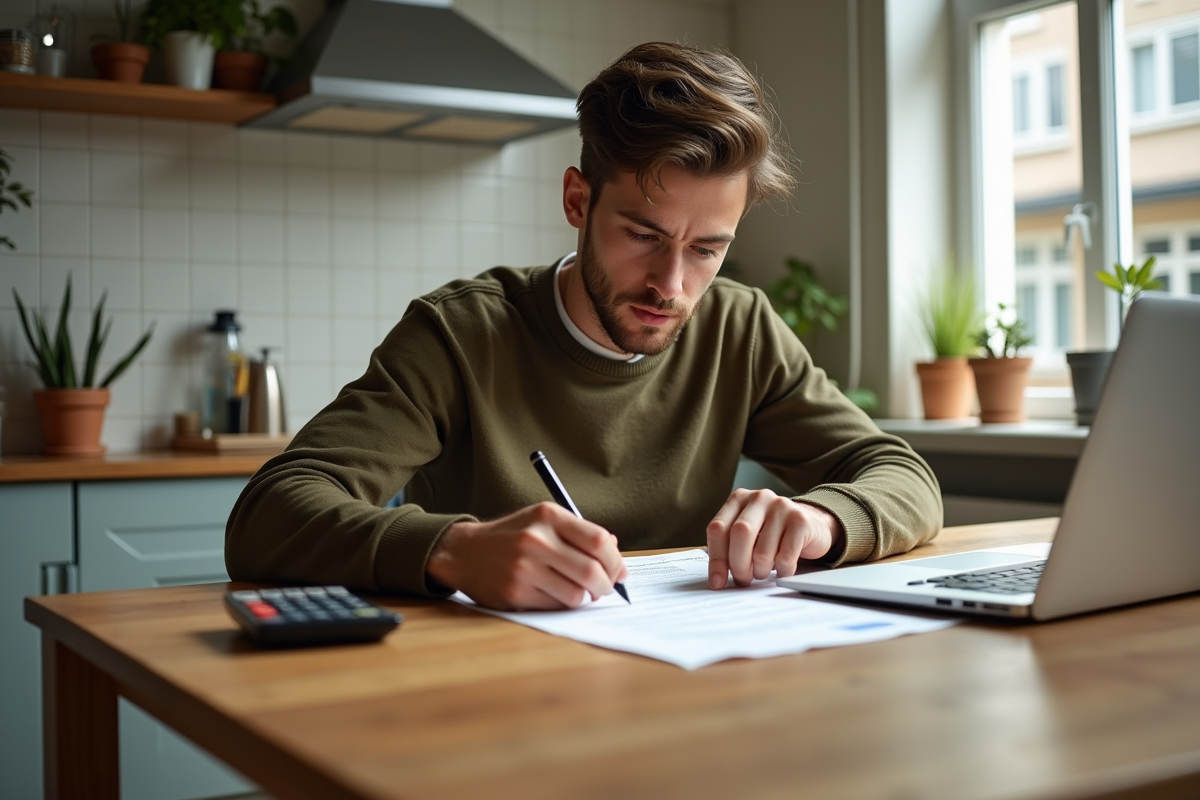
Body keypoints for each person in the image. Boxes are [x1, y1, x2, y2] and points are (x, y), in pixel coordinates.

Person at [225, 42, 942, 610]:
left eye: (707, 249)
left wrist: (822, 522)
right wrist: (455, 549)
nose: (672, 284)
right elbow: (268, 515)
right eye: (641, 235)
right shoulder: (460, 335)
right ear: (577, 200)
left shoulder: (740, 328)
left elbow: (903, 476)